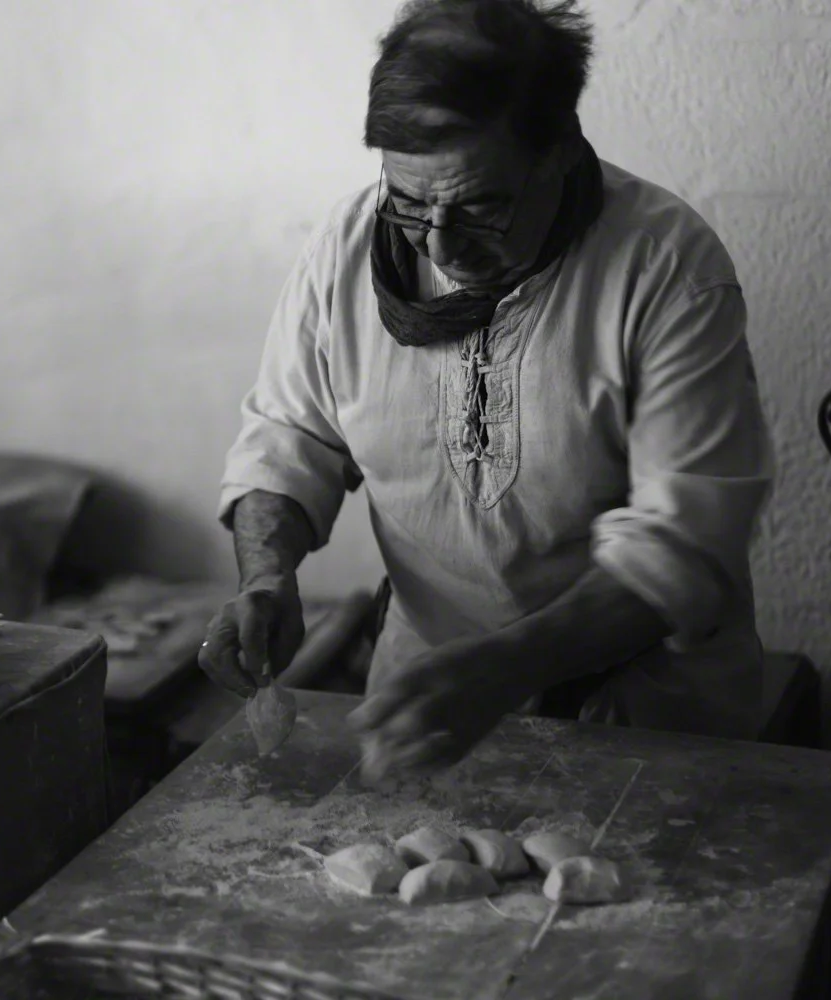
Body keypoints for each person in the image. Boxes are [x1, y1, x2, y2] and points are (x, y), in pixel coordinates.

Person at [197, 0, 776, 781]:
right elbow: (289, 438)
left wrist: (505, 669)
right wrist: (268, 576)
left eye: (478, 206)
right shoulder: (342, 249)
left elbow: (682, 544)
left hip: (651, 714)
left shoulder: (666, 267)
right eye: (408, 201)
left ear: (561, 152)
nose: (438, 243)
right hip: (425, 701)